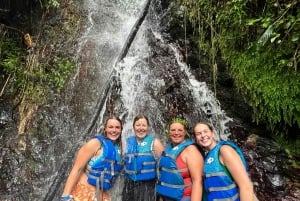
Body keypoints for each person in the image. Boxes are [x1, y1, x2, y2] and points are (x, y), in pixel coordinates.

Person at [60, 115, 123, 201]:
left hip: (101, 196)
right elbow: (77, 168)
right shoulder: (95, 143)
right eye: (110, 127)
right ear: (105, 129)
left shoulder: (119, 150)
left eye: (117, 127)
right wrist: (65, 196)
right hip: (83, 193)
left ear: (121, 129)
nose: (114, 130)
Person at [193, 122, 255, 201]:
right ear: (196, 139)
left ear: (212, 133)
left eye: (205, 131)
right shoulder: (206, 158)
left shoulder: (224, 150)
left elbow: (246, 186)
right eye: (198, 134)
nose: (203, 135)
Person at [156, 118, 204, 201]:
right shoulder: (168, 148)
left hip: (184, 198)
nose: (176, 133)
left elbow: (198, 181)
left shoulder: (191, 150)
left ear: (185, 132)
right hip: (166, 197)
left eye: (180, 130)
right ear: (168, 132)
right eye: (173, 130)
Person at [122, 114, 164, 201]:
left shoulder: (155, 143)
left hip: (147, 186)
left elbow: (164, 166)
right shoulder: (126, 142)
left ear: (148, 127)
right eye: (138, 125)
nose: (141, 128)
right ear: (133, 127)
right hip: (129, 185)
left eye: (143, 125)